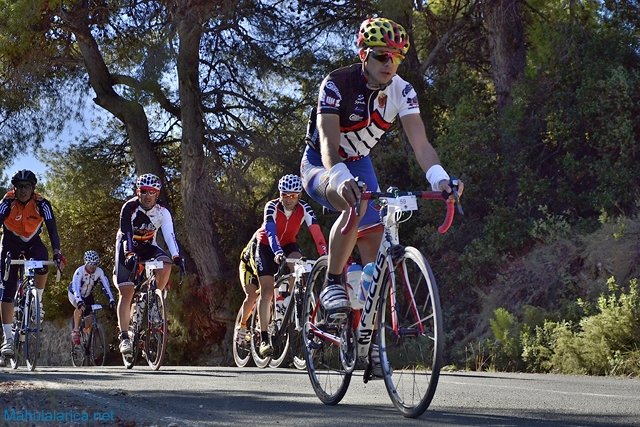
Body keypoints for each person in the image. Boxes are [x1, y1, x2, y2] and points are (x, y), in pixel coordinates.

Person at [299, 18, 464, 372]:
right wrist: (339, 178)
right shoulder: (336, 84)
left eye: (397, 57)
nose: (390, 63)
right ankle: (332, 282)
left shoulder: (403, 91)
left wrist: (440, 179)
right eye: (381, 56)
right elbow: (328, 144)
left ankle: (370, 340)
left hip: (360, 162)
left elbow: (421, 145)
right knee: (354, 203)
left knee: (374, 257)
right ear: (364, 55)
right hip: (321, 163)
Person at [236, 174, 327, 357]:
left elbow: (316, 231)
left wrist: (325, 255)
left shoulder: (305, 208)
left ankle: (286, 300)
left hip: (288, 244)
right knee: (267, 291)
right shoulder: (272, 206)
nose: (288, 199)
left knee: (299, 264)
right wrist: (277, 252)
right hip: (265, 246)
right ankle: (263, 339)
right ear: (280, 194)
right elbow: (270, 232)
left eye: (293, 195)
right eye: (284, 194)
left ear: (299, 195)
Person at [113, 173, 182, 355]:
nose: (148, 196)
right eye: (144, 191)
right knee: (126, 291)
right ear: (138, 192)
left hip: (148, 246)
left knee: (166, 263)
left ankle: (154, 301)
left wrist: (176, 256)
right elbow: (126, 233)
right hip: (127, 246)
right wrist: (129, 253)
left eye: (152, 192)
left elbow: (169, 235)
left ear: (157, 194)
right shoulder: (129, 207)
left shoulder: (162, 211)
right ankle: (124, 337)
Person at [0, 169, 65, 362]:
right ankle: (8, 339)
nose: (23, 190)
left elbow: (52, 230)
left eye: (27, 186)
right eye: (19, 186)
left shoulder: (42, 204)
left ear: (33, 188)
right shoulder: (7, 202)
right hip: (10, 243)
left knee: (43, 262)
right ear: (14, 188)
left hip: (32, 242)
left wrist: (57, 252)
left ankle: (37, 301)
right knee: (7, 290)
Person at [68, 250, 116, 346]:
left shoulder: (99, 272)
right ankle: (76, 331)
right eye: (90, 264)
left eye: (95, 264)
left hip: (88, 294)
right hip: (74, 293)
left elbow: (106, 286)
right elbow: (76, 288)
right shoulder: (79, 271)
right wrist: (79, 301)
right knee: (79, 308)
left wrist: (111, 300)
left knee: (90, 316)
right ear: (85, 263)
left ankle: (87, 336)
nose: (92, 267)